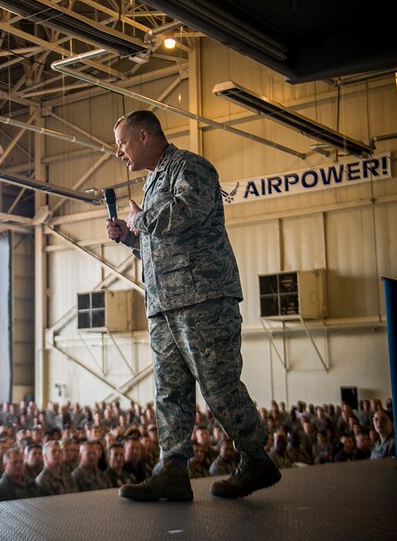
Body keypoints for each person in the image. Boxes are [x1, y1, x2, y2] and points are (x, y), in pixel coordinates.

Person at [106, 110, 280, 501]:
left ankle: (255, 458)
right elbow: (161, 246)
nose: (118, 151)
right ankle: (172, 469)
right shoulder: (152, 183)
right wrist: (130, 239)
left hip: (203, 299)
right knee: (170, 391)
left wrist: (141, 219)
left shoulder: (190, 167)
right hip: (165, 303)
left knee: (218, 386)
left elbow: (189, 210)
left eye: (122, 142)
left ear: (145, 136)